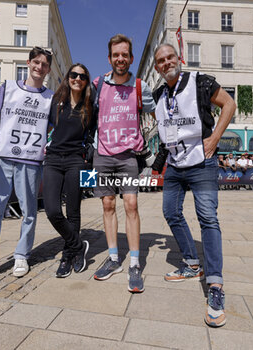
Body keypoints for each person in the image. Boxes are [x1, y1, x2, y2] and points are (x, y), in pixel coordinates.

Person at [153, 43, 236, 327]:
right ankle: (191, 263)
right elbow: (167, 134)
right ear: (157, 67)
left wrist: (214, 140)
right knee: (170, 212)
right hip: (175, 166)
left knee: (208, 219)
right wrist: (156, 166)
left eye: (170, 58)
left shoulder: (200, 82)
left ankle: (215, 286)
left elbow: (229, 104)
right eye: (161, 61)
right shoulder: (159, 95)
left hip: (202, 164)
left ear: (179, 59)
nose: (166, 63)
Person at [0, 47, 53, 288]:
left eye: (44, 64)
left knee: (29, 212)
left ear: (49, 69)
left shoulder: (51, 97)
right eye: (36, 62)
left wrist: (52, 145)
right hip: (2, 158)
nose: (39, 67)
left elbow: (56, 128)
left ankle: (22, 255)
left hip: (31, 161)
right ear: (28, 63)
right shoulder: (8, 87)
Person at [92, 34, 156, 293]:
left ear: (131, 58)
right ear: (109, 58)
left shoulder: (140, 87)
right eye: (116, 54)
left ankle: (134, 263)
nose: (120, 59)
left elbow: (158, 113)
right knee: (108, 204)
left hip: (129, 156)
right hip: (103, 155)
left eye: (125, 54)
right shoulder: (98, 85)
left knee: (131, 204)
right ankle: (114, 258)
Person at [43, 63, 96, 278]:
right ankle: (77, 246)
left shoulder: (90, 106)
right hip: (53, 159)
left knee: (73, 211)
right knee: (52, 211)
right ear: (68, 77)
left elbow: (94, 136)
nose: (77, 79)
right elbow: (42, 127)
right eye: (74, 75)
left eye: (82, 76)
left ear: (86, 82)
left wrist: (92, 168)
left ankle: (67, 254)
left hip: (77, 160)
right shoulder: (56, 102)